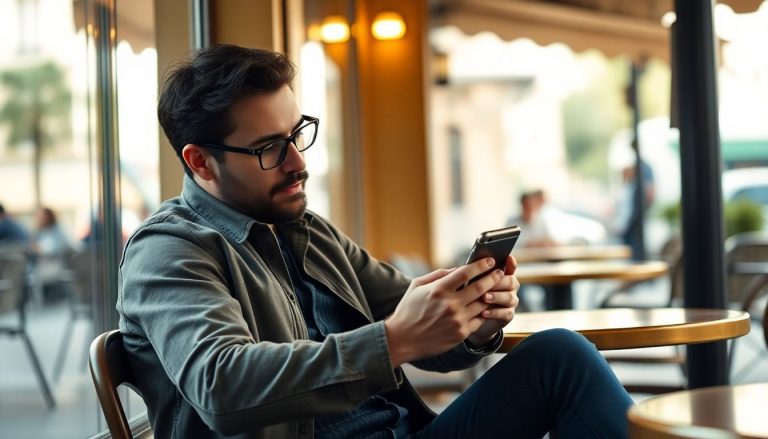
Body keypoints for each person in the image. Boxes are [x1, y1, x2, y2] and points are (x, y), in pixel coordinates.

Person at [118, 44, 632, 438]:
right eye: (270, 148)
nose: (299, 162)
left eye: (297, 134)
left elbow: (424, 330)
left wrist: (473, 320)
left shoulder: (306, 231)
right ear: (200, 161)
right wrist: (395, 340)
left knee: (561, 357)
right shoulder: (169, 250)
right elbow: (221, 386)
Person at [30, 206, 73, 300]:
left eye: (42, 216)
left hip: (55, 263)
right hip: (41, 264)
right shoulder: (39, 232)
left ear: (49, 216)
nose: (40, 219)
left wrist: (41, 249)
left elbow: (61, 247)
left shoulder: (57, 230)